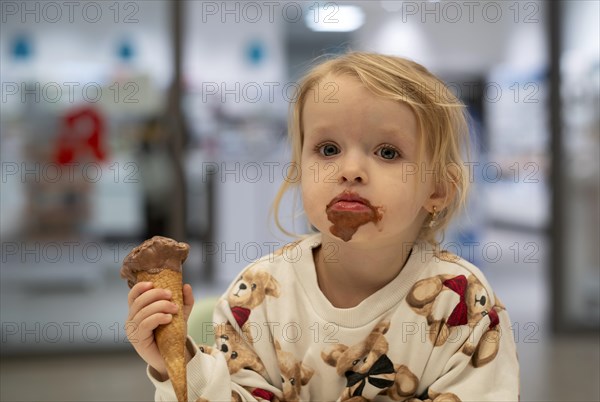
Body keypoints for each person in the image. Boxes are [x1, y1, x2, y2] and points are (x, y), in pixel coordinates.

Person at [126, 52, 520, 401]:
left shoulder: (463, 305)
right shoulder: (258, 296)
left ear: (437, 189)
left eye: (387, 152)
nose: (349, 170)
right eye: (327, 149)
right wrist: (174, 366)